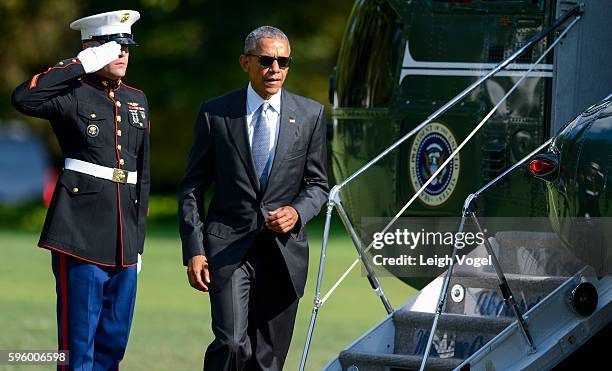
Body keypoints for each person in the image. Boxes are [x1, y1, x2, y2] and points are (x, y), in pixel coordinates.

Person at [178, 26, 328, 370]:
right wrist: (195, 250)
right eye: (266, 60)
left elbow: (318, 184)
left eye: (283, 61)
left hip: (284, 253)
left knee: (268, 359)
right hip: (228, 248)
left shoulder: (310, 115)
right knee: (231, 342)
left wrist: (297, 211)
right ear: (246, 62)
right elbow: (191, 189)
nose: (275, 69)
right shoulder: (214, 113)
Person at [11, 10, 150, 371]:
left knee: (113, 343)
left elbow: (142, 175)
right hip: (80, 233)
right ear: (92, 49)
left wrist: (138, 243)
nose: (122, 54)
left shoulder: (137, 99)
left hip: (123, 241)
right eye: (112, 47)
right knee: (77, 347)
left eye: (126, 47)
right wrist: (80, 64)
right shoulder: (71, 93)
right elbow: (23, 98)